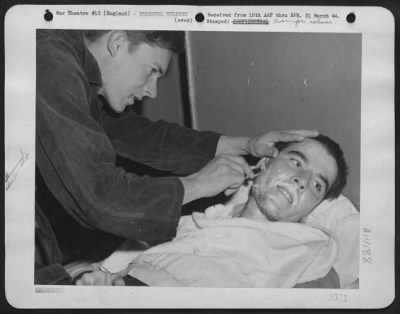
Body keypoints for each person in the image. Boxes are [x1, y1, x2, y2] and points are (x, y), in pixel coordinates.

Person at [35, 29, 318, 284]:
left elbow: (136, 135)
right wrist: (197, 184)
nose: (152, 91)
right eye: (152, 71)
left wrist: (247, 144)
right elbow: (100, 197)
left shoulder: (77, 73)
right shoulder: (50, 63)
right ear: (118, 44)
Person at [74, 134, 348, 288]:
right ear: (264, 164)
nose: (302, 180)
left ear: (312, 209)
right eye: (296, 162)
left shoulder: (311, 251)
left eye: (316, 184)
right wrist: (95, 279)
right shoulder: (192, 222)